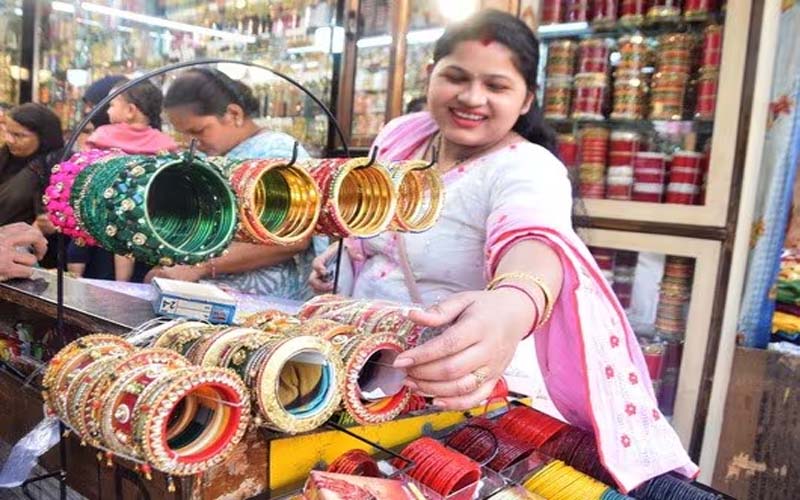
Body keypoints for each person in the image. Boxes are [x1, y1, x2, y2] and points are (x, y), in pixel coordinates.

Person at [308, 10, 696, 492]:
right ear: (431, 75)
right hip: (367, 374)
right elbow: (375, 233)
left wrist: (513, 305)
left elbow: (534, 245)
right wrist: (344, 259)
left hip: (462, 395)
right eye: (456, 77)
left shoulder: (527, 169)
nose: (472, 98)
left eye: (496, 85)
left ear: (527, 98)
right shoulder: (403, 141)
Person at [145, 67, 318, 300]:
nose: (191, 141)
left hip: (266, 301)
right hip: (207, 295)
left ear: (234, 114)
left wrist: (200, 267)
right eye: (183, 134)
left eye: (198, 130)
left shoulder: (277, 152)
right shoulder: (212, 156)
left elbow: (293, 238)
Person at [83, 78, 176, 282]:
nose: (107, 110)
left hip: (103, 216)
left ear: (131, 110)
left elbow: (85, 170)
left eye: (112, 104)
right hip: (146, 219)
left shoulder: (102, 135)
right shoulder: (163, 142)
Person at [0, 103, 64, 227]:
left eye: (19, 135)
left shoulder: (53, 170)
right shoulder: (4, 157)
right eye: (8, 132)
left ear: (44, 137)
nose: (9, 140)